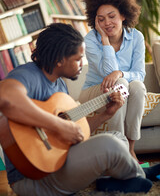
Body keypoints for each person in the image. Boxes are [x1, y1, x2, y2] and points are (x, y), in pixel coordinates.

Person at [0, 23, 159, 196]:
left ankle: (125, 179)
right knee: (109, 144)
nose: (82, 64)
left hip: (58, 163)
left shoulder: (60, 85)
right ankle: (137, 177)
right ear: (59, 59)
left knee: (118, 138)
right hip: (33, 180)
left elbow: (77, 133)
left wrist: (107, 114)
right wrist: (58, 125)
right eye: (78, 59)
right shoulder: (28, 74)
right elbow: (6, 99)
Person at [79, 0, 146, 162]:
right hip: (93, 92)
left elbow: (139, 74)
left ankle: (130, 148)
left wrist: (119, 73)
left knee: (137, 86)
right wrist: (105, 41)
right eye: (101, 19)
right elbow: (107, 73)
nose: (107, 23)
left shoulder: (136, 37)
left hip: (119, 87)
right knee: (121, 85)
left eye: (112, 16)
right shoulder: (91, 40)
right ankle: (118, 149)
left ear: (123, 15)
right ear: (95, 22)